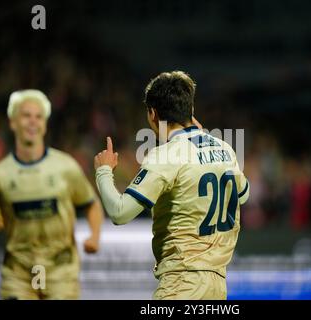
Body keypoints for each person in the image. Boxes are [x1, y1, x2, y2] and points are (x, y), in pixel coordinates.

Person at [94, 71, 249, 299]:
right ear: (191, 109)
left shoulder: (165, 156)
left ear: (153, 114)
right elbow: (243, 195)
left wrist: (103, 172)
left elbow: (120, 212)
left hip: (182, 283)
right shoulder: (224, 148)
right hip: (218, 286)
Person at [0, 89, 104, 299]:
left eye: (38, 116)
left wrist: (94, 236)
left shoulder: (65, 167)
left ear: (44, 124)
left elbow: (91, 203)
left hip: (60, 272)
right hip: (18, 274)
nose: (33, 121)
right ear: (13, 122)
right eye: (26, 116)